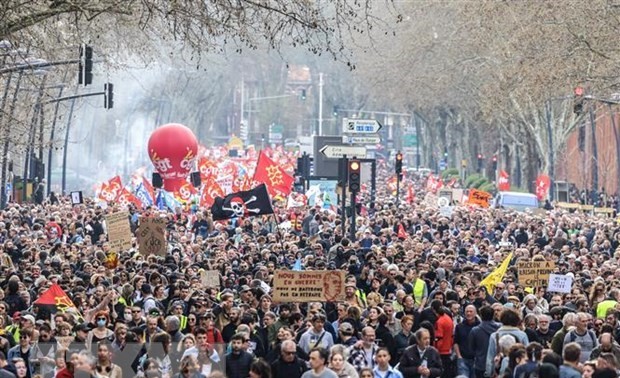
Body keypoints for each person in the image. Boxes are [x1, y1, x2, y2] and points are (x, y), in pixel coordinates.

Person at [468, 306, 500, 378]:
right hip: (497, 364)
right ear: (493, 315)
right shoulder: (500, 328)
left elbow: (471, 349)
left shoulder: (475, 330)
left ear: (481, 315)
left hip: (480, 365)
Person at [454, 304, 479, 378]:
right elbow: (456, 342)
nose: (468, 313)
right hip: (463, 359)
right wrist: (459, 356)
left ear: (475, 313)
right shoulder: (459, 326)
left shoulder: (480, 327)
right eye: (467, 311)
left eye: (471, 311)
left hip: (476, 360)